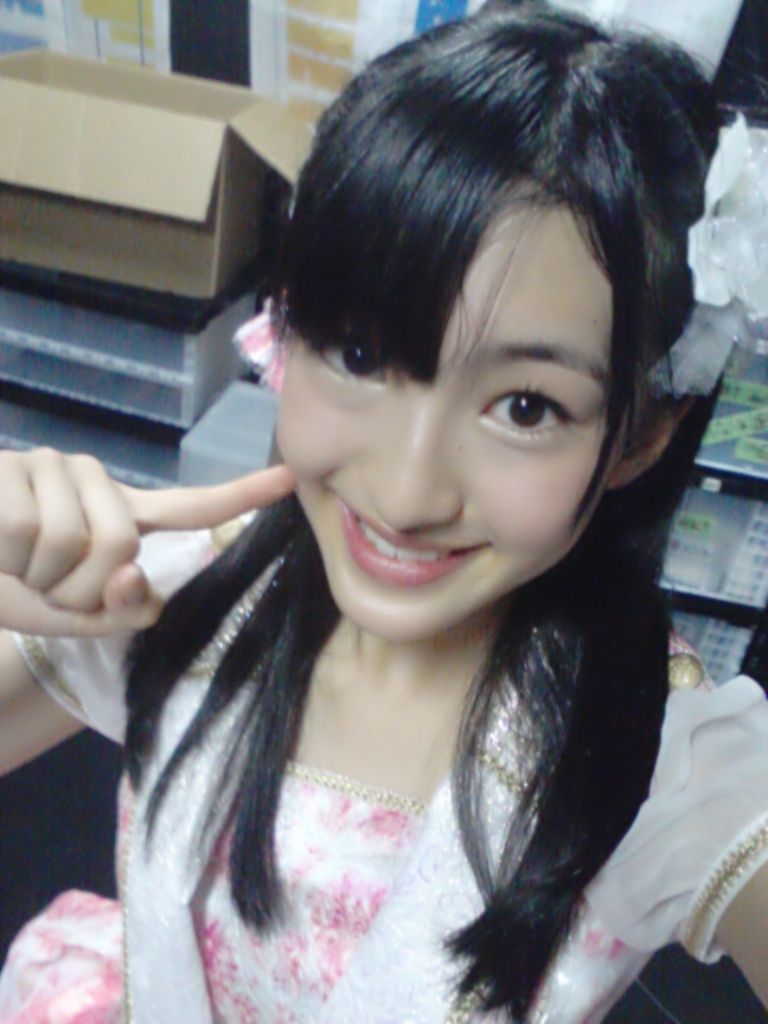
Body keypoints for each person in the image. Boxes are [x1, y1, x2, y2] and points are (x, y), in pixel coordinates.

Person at [1, 2, 768, 1021]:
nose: (407, 494)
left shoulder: (657, 755)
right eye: (361, 354)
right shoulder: (176, 589)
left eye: (526, 407)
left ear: (639, 436)